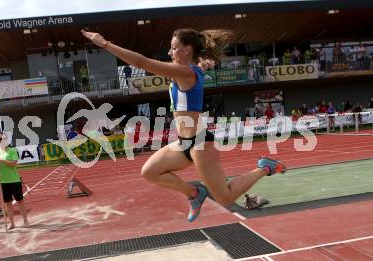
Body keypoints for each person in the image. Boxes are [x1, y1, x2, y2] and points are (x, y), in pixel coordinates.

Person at [82, 28, 286, 222]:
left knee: (225, 198)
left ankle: (265, 168)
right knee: (149, 172)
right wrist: (202, 64)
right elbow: (194, 69)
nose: (170, 52)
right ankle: (195, 192)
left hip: (200, 144)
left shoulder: (185, 72)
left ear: (187, 49)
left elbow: (142, 62)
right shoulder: (190, 71)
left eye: (173, 47)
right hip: (183, 143)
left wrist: (106, 44)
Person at [0, 132, 29, 229]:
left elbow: (13, 163)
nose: (1, 141)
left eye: (3, 139)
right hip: (3, 182)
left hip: (14, 180)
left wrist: (1, 161)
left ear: (7, 140)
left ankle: (25, 220)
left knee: (20, 201)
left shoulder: (12, 150)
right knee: (7, 203)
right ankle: (12, 223)